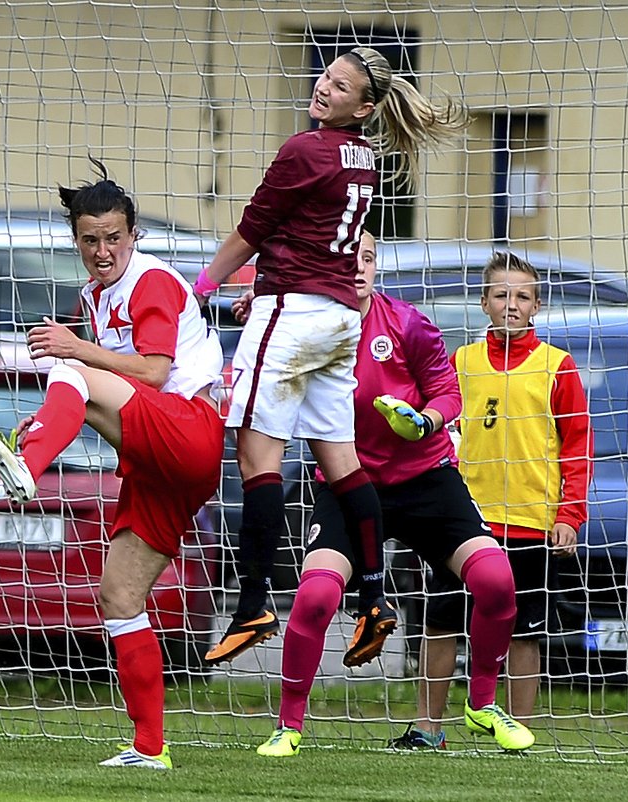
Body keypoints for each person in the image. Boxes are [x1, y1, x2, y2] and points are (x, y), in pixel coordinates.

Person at [196, 46, 467, 669]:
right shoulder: (365, 156)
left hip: (296, 311)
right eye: (327, 75)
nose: (325, 87)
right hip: (337, 318)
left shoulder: (303, 149)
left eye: (341, 86)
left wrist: (205, 285)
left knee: (257, 453)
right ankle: (373, 598)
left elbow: (255, 226)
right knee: (340, 460)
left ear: (364, 106)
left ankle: (253, 603)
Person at [226, 231, 532, 756]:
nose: (360, 267)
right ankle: (289, 726)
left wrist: (426, 420)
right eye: (351, 258)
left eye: (368, 258)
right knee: (317, 595)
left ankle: (482, 704)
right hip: (348, 483)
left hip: (424, 479)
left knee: (497, 581)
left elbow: (447, 391)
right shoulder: (303, 327)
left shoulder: (407, 322)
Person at [0, 158, 225, 770]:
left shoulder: (152, 281)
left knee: (67, 366)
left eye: (114, 237)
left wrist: (77, 357)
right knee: (119, 597)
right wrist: (64, 407)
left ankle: (29, 466)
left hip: (189, 431)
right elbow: (111, 383)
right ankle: (148, 749)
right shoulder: (94, 293)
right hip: (157, 459)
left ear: (133, 235)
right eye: (90, 239)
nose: (102, 250)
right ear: (76, 238)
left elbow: (156, 373)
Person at [394, 251, 593, 747]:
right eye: (502, 294)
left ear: (537, 307)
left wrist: (570, 513)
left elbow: (577, 446)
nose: (511, 304)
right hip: (461, 521)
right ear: (484, 302)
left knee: (524, 632)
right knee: (441, 622)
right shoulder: (459, 362)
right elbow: (436, 428)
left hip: (530, 520)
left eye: (522, 296)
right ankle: (428, 727)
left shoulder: (557, 367)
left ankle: (518, 732)